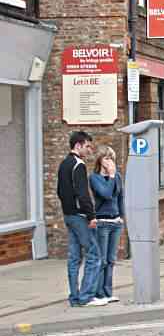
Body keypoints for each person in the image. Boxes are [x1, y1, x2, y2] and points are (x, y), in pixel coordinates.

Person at [57, 131, 106, 307]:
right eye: (87, 146)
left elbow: (60, 192)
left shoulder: (64, 164)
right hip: (79, 216)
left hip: (68, 215)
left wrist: (68, 210)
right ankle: (86, 297)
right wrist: (91, 216)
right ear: (77, 145)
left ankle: (74, 297)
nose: (89, 150)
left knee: (74, 257)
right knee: (94, 255)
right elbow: (83, 194)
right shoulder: (79, 164)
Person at [90, 146, 125, 304]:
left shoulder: (117, 176)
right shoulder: (94, 178)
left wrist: (121, 217)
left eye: (111, 158)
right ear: (100, 160)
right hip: (102, 222)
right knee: (102, 260)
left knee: (111, 259)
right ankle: (98, 294)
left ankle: (108, 292)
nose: (110, 161)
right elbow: (106, 194)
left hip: (115, 222)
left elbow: (120, 197)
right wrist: (110, 176)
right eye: (106, 158)